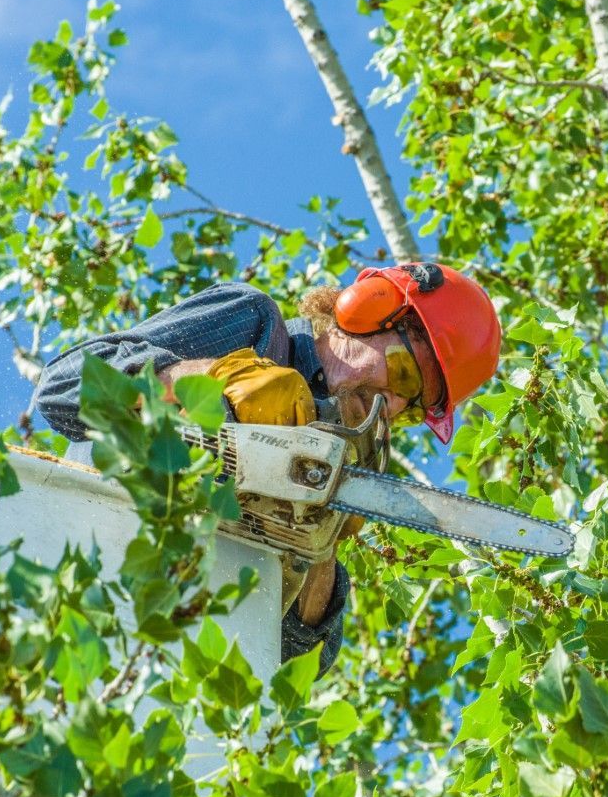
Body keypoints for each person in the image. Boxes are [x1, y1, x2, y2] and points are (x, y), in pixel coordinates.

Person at [30, 263, 502, 677]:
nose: (390, 402)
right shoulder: (259, 327)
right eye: (403, 374)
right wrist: (208, 379)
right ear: (368, 312)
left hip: (151, 657)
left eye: (410, 409)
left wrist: (318, 546)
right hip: (80, 565)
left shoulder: (339, 462)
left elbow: (301, 664)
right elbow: (63, 389)